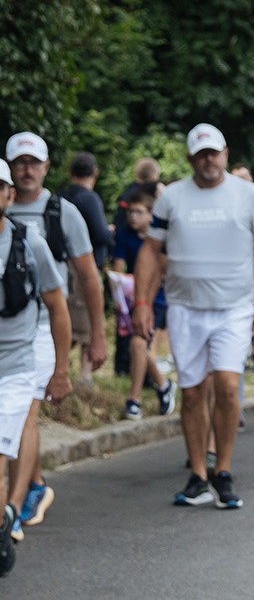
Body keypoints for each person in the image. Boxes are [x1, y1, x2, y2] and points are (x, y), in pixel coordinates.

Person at [132, 123, 254, 510]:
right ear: (190, 158)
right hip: (184, 308)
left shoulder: (247, 196)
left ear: (225, 154)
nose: (208, 159)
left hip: (234, 308)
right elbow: (150, 251)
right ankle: (198, 473)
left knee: (228, 387)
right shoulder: (173, 198)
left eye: (214, 152)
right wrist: (142, 303)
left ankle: (224, 470)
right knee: (193, 392)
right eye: (201, 154)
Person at [6, 132, 106, 541]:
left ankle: (15, 503)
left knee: (25, 412)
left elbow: (88, 277)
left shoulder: (60, 213)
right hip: (8, 330)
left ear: (47, 167)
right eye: (20, 163)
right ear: (10, 171)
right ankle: (34, 485)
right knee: (13, 418)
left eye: (35, 162)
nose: (28, 169)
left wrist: (98, 336)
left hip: (47, 328)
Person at [0, 159, 70, 574]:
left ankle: (9, 512)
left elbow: (58, 309)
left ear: (9, 195)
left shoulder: (30, 244)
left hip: (15, 366)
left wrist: (61, 370)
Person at [110, 191, 176, 419]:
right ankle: (163, 384)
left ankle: (134, 399)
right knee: (138, 346)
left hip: (157, 299)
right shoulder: (125, 236)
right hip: (132, 298)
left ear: (151, 215)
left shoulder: (162, 241)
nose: (133, 217)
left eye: (139, 212)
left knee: (138, 343)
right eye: (130, 212)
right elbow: (119, 268)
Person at [58, 152, 113, 390]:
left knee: (66, 316)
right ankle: (84, 376)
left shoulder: (60, 195)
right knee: (86, 321)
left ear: (71, 173)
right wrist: (111, 233)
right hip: (84, 266)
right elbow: (100, 234)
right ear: (95, 173)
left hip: (61, 265)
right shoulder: (89, 198)